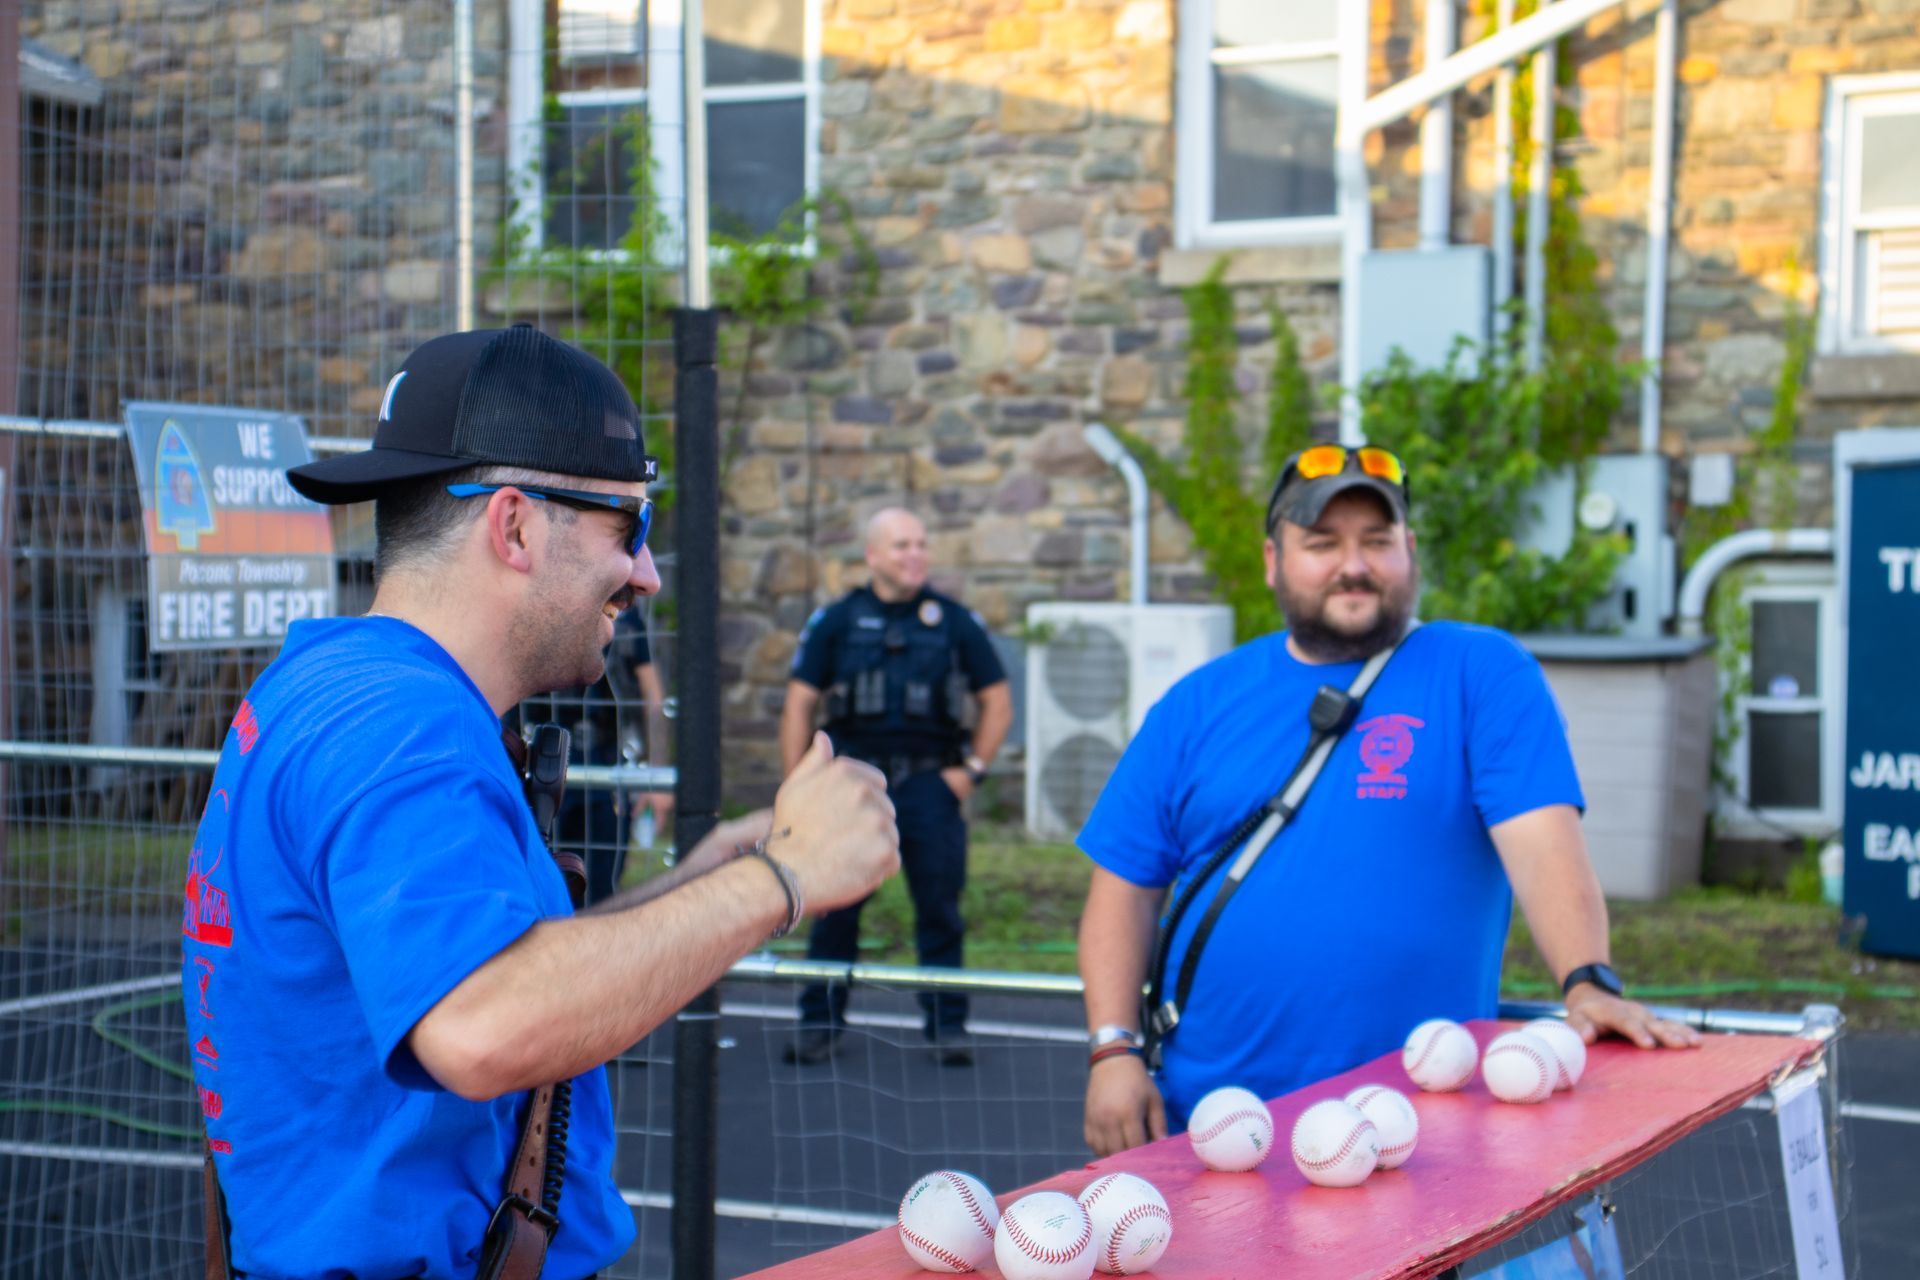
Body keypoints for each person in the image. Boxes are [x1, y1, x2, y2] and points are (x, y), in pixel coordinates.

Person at [179, 325, 898, 1279]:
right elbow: (483, 1025)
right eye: (627, 526)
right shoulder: (405, 725)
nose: (644, 572)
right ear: (513, 524)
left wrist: (687, 888)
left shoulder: (341, 688)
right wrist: (785, 878)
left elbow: (481, 966)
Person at [1076, 443, 1700, 1157]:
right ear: (1272, 561)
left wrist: (1587, 981)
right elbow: (1124, 888)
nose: (1354, 564)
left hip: (1414, 1130)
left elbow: (1543, 845)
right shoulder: (1197, 703)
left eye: (1378, 541)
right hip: (1216, 1126)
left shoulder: (1481, 673)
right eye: (1322, 543)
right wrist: (1112, 1050)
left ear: (1410, 554)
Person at [779, 508, 1013, 1067]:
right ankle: (819, 1021)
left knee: (939, 908)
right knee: (835, 905)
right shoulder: (837, 620)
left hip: (931, 783)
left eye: (922, 544)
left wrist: (970, 772)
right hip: (853, 784)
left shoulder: (954, 622)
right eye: (903, 545)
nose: (916, 555)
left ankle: (947, 1027)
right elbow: (799, 703)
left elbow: (997, 702)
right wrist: (799, 786)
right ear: (873, 556)